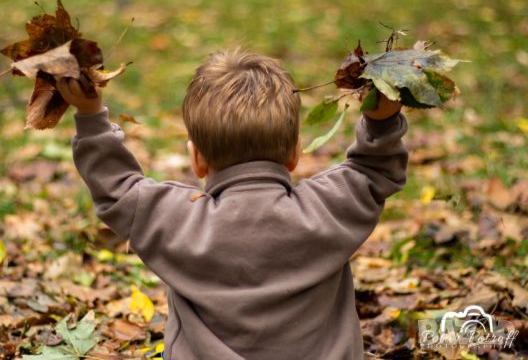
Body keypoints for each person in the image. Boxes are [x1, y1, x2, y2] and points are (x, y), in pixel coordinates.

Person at [56, 48, 408, 360]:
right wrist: (382, 118)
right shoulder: (326, 209)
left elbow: (117, 189)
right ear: (295, 153)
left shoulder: (180, 221)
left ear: (197, 159)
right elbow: (373, 169)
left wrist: (91, 115)